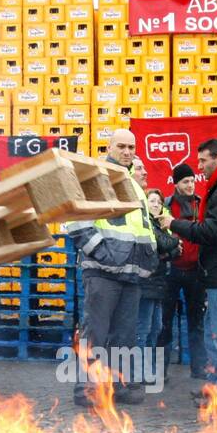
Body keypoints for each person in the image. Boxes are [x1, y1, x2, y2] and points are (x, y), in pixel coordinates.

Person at [65, 129, 156, 406]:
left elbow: (143, 227)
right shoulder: (97, 176)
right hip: (103, 271)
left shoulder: (135, 184)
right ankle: (88, 389)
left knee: (124, 336)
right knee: (96, 333)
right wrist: (102, 253)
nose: (127, 152)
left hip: (130, 272)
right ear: (109, 147)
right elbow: (77, 220)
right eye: (122, 146)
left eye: (131, 147)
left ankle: (118, 386)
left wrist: (149, 258)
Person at [159, 138, 217, 407]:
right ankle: (216, 384)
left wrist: (174, 223)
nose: (199, 167)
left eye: (203, 160)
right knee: (215, 330)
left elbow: (211, 232)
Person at [157, 163, 207, 379]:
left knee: (197, 322)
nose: (190, 185)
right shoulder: (166, 206)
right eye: (186, 181)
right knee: (164, 322)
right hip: (171, 271)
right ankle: (161, 371)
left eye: (192, 181)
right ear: (176, 183)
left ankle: (199, 369)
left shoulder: (201, 205)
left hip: (195, 271)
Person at [140, 188, 179, 352]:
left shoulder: (160, 224)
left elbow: (175, 250)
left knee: (155, 329)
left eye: (159, 202)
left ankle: (147, 372)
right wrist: (174, 240)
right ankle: (136, 373)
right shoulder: (146, 221)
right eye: (152, 201)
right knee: (143, 330)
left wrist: (167, 249)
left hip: (158, 283)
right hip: (146, 283)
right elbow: (166, 244)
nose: (156, 205)